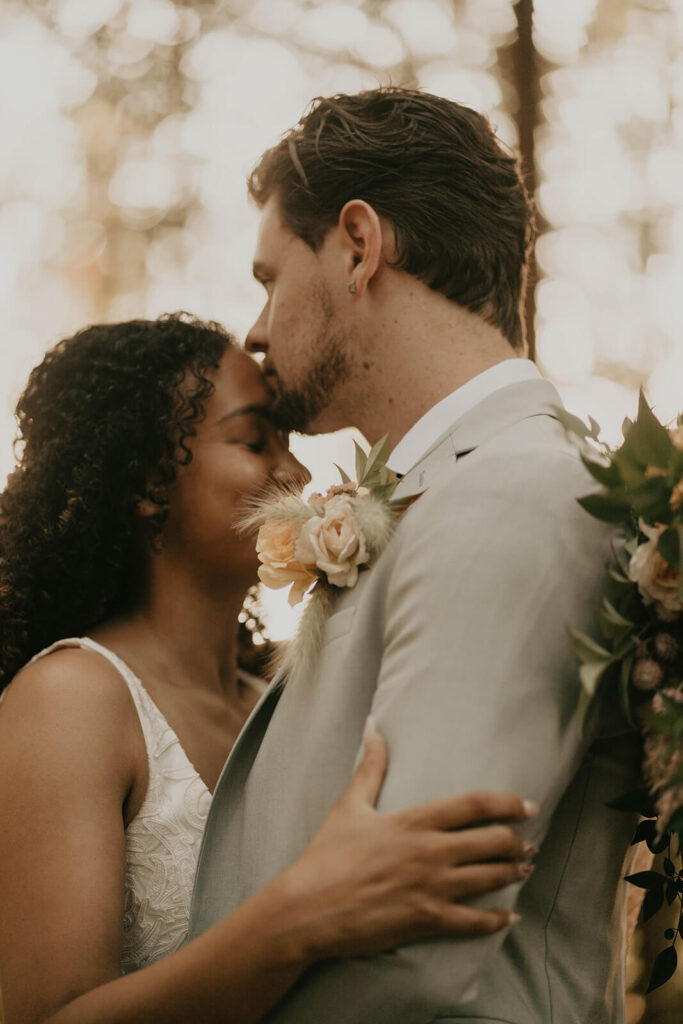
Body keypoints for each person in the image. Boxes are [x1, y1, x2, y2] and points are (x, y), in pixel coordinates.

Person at [189, 88, 643, 1023]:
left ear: (358, 244)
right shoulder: (445, 490)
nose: (259, 330)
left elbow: (416, 950)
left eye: (269, 278)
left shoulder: (515, 491)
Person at [0, 314, 536, 1024]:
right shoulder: (72, 698)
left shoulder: (282, 698)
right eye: (255, 440)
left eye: (288, 443)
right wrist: (304, 914)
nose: (297, 474)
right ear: (144, 480)